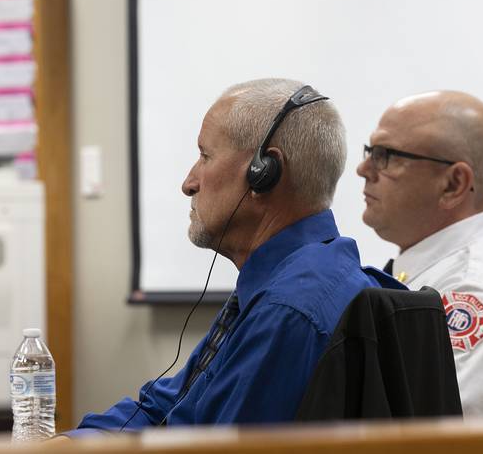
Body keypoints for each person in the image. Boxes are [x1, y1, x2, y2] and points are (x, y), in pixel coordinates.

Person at [66, 78, 402, 435]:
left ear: (264, 174)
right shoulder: (286, 283)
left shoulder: (288, 311)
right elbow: (167, 405)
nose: (188, 183)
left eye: (205, 156)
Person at [356, 90, 483, 417]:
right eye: (370, 151)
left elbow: (422, 437)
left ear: (453, 184)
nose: (363, 168)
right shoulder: (434, 272)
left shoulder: (477, 295)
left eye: (387, 155)